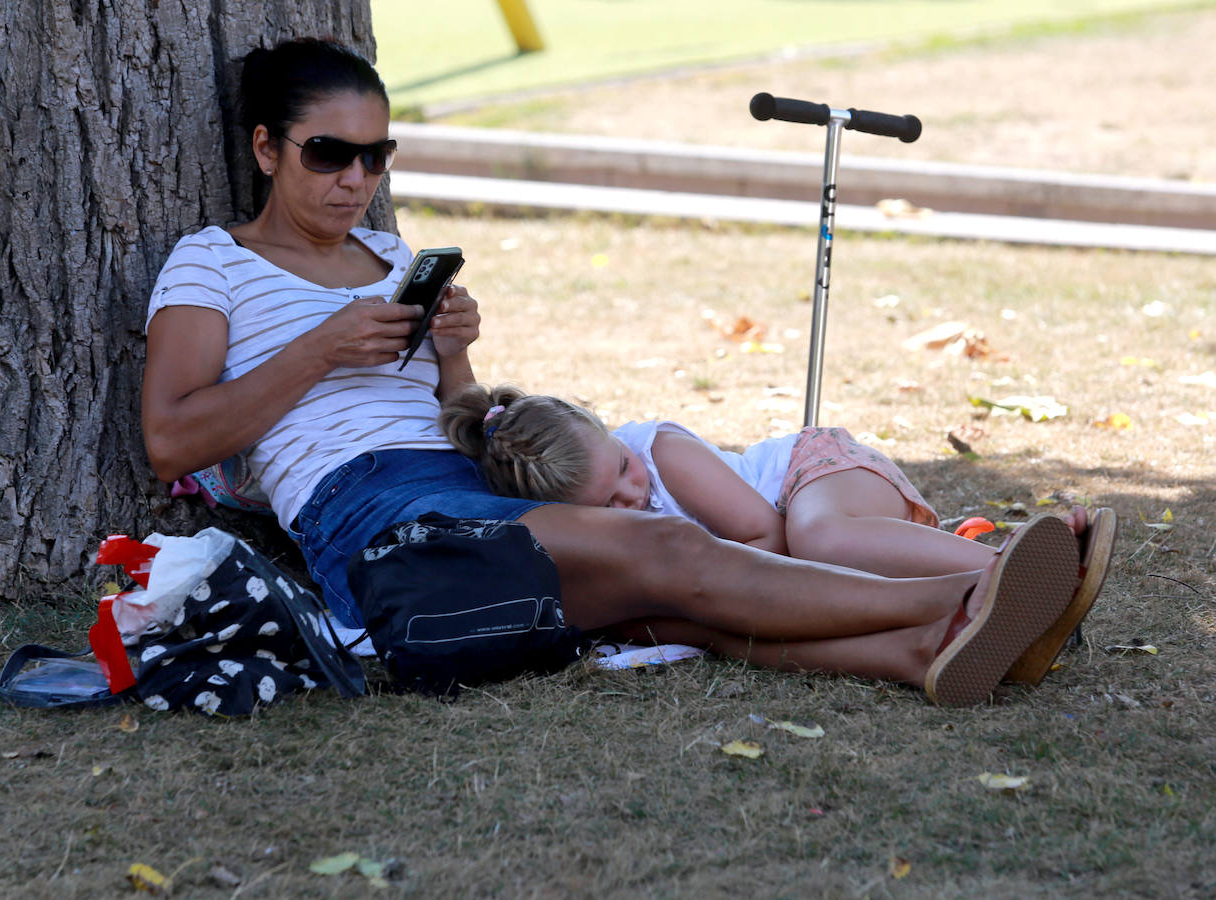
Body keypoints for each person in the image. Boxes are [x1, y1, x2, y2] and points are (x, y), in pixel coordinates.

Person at [139, 36, 1102, 707]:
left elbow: (456, 415)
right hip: (381, 537)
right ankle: (969, 603)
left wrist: (456, 352)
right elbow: (171, 439)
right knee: (675, 559)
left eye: (376, 155)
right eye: (329, 154)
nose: (357, 179)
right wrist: (319, 350)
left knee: (663, 598)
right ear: (267, 149)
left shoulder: (391, 262)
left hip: (471, 492)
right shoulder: (213, 261)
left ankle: (924, 655)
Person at [441, 384, 1116, 685]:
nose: (632, 492)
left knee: (818, 539)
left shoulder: (660, 452)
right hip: (815, 546)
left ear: (608, 430)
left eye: (620, 467)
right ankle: (1008, 618)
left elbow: (767, 540)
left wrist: (727, 594)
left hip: (813, 478)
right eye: (609, 504)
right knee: (805, 587)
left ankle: (1011, 567)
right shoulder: (612, 531)